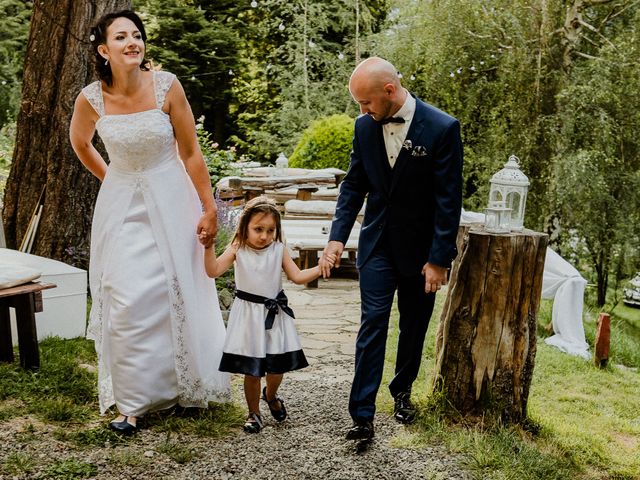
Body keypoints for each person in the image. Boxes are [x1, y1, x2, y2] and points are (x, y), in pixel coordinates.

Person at [69, 10, 230, 435]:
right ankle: (132, 403)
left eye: (137, 35)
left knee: (170, 288)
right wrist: (114, 177)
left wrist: (208, 206)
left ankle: (178, 386)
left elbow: (192, 153)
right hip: (121, 206)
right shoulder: (90, 98)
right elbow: (80, 143)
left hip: (171, 196)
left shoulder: (167, 86)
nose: (132, 42)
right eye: (121, 37)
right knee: (123, 294)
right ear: (104, 50)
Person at [319, 57, 463, 440]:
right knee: (373, 323)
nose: (362, 111)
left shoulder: (443, 128)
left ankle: (402, 392)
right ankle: (362, 415)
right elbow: (353, 186)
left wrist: (438, 259)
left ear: (389, 90)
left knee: (414, 325)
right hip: (378, 243)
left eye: (365, 103)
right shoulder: (364, 128)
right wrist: (336, 238)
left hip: (421, 252)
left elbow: (449, 201)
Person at [204, 196, 336, 433]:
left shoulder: (278, 250)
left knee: (277, 367)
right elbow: (213, 271)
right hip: (247, 316)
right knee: (251, 370)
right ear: (245, 226)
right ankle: (253, 413)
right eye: (258, 229)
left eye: (270, 230)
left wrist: (320, 267)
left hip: (274, 315)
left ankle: (271, 395)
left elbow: (297, 277)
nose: (264, 236)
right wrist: (208, 247)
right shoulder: (237, 249)